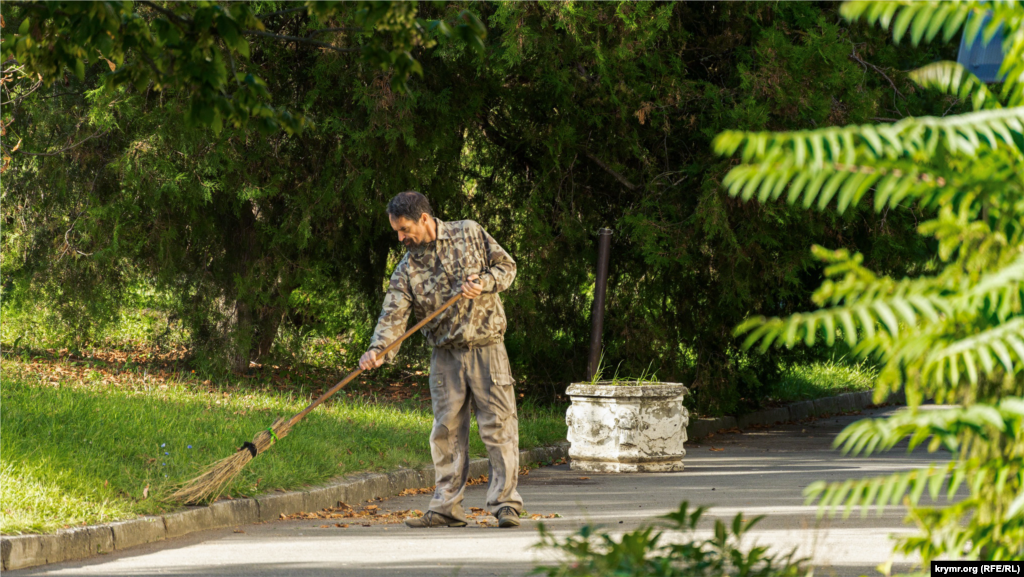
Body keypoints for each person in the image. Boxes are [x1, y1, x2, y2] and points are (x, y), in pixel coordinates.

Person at [359, 191, 523, 529]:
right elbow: (393, 316)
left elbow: (507, 267)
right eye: (397, 232)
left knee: (498, 427)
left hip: (486, 347)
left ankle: (505, 505)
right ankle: (446, 507)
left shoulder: (470, 232)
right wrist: (377, 350)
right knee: (445, 432)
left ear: (423, 218)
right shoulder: (407, 269)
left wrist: (485, 282)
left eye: (404, 229)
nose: (401, 238)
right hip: (445, 356)